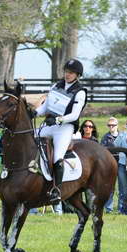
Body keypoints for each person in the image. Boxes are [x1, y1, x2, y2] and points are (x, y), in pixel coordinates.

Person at [34, 59, 87, 203]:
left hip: (64, 128)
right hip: (50, 124)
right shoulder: (55, 86)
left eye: (71, 73)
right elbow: (45, 107)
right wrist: (34, 112)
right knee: (30, 137)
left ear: (77, 75)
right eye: (66, 72)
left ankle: (56, 190)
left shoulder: (80, 92)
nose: (67, 75)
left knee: (58, 157)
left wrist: (58, 120)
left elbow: (75, 115)